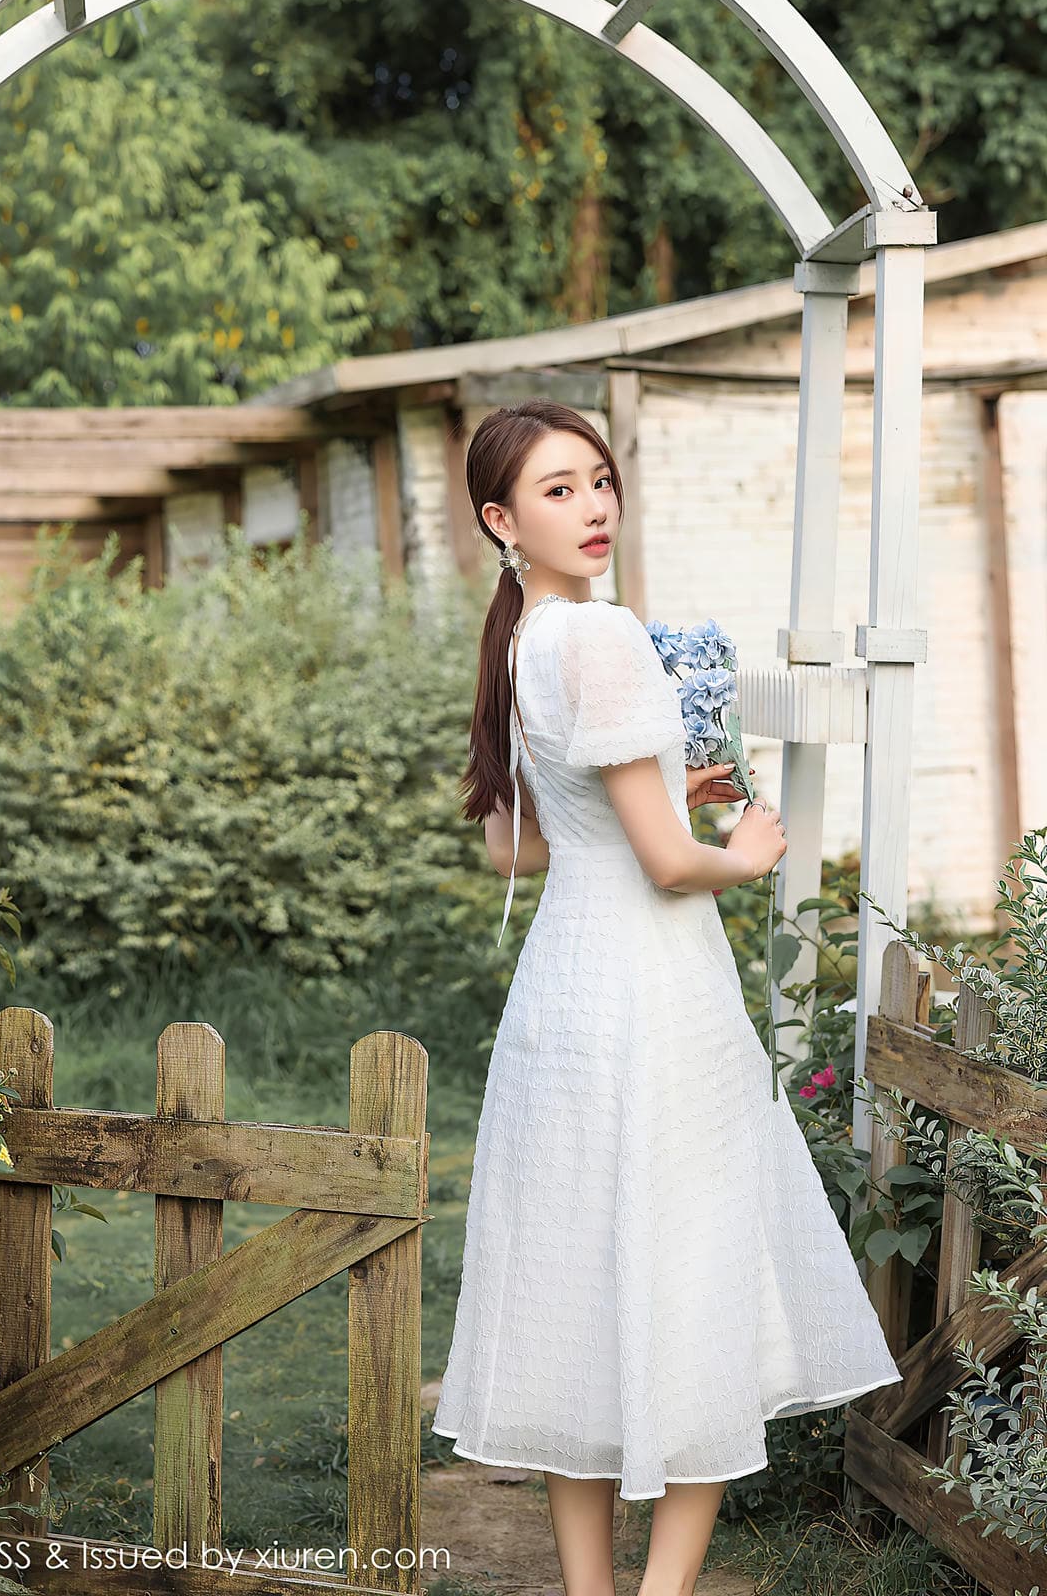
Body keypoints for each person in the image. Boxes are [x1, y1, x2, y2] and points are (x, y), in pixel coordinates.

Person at [429, 399, 902, 1596]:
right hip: (655, 993)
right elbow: (667, 866)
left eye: (599, 480)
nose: (593, 507)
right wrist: (743, 851)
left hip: (562, 999)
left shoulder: (520, 642)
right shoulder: (603, 635)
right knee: (697, 1272)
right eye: (557, 490)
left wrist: (649, 798)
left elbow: (513, 848)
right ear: (500, 520)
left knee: (574, 1289)